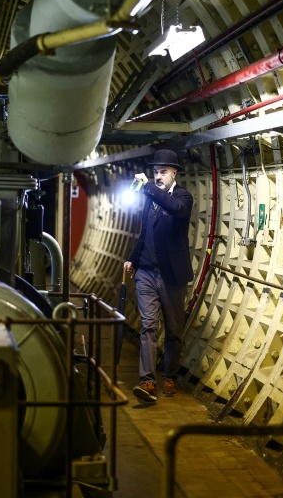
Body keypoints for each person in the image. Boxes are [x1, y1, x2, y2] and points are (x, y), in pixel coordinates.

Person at [124, 149, 194, 403]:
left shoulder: (183, 197)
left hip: (171, 275)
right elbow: (145, 233)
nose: (158, 176)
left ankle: (169, 376)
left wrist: (150, 188)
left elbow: (175, 208)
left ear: (174, 173)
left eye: (163, 172)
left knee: (174, 330)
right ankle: (147, 380)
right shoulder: (149, 197)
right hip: (146, 272)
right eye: (155, 172)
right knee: (149, 327)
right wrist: (133, 257)